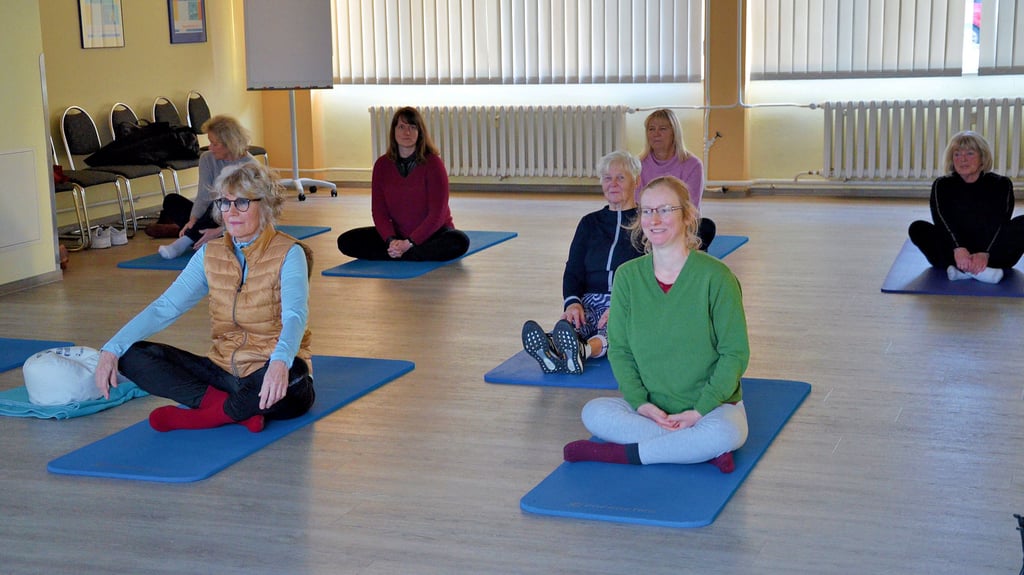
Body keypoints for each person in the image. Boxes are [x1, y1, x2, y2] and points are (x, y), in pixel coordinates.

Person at [95, 162, 315, 433]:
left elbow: (295, 315)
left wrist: (280, 362)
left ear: (266, 205)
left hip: (269, 369)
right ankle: (233, 410)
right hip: (222, 370)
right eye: (225, 202)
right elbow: (166, 306)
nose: (231, 212)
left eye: (242, 202)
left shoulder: (289, 252)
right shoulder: (210, 253)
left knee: (295, 378)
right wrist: (111, 348)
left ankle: (203, 417)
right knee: (130, 355)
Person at [562, 175, 749, 473]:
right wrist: (640, 404)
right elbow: (620, 350)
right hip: (651, 411)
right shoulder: (627, 277)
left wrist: (699, 411)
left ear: (687, 215)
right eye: (647, 211)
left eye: (665, 209)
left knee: (729, 433)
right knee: (593, 412)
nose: (655, 219)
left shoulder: (717, 278)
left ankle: (625, 454)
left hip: (711, 409)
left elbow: (735, 354)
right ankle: (697, 449)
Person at [521, 151, 645, 375]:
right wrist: (572, 303)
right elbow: (573, 269)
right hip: (590, 300)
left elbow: (654, 272)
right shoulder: (589, 223)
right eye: (607, 178)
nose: (613, 184)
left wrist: (624, 303)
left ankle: (583, 351)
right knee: (575, 324)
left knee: (616, 327)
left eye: (621, 178)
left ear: (636, 181)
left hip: (627, 300)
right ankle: (554, 346)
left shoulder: (646, 222)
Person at [336, 106, 470, 261]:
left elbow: (437, 215)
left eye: (412, 127)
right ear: (394, 131)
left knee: (459, 241)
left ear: (420, 133)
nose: (407, 132)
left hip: (432, 234)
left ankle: (403, 252)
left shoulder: (433, 164)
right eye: (401, 127)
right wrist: (391, 240)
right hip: (398, 234)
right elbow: (379, 211)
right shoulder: (382, 165)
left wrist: (410, 242)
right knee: (346, 241)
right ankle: (400, 251)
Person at [908, 130, 1024, 284]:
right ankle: (981, 272)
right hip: (956, 250)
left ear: (982, 157)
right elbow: (943, 221)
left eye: (970, 153)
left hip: (992, 250)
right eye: (957, 154)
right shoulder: (942, 185)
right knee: (917, 228)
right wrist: (958, 248)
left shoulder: (1001, 184)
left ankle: (963, 270)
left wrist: (985, 253)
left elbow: (1000, 223)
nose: (962, 159)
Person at [149, 115, 257, 259]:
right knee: (171, 201)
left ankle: (186, 241)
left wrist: (220, 231)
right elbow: (203, 196)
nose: (210, 148)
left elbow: (252, 212)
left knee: (221, 202)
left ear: (229, 143)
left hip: (237, 219)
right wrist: (192, 220)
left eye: (214, 144)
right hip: (211, 215)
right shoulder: (207, 158)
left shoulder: (251, 166)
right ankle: (201, 235)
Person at [638, 108, 716, 250]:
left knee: (706, 226)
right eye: (651, 129)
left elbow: (690, 206)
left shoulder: (692, 165)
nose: (656, 134)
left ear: (674, 133)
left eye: (662, 129)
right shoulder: (638, 164)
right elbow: (637, 204)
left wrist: (668, 224)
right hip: (649, 223)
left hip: (679, 222)